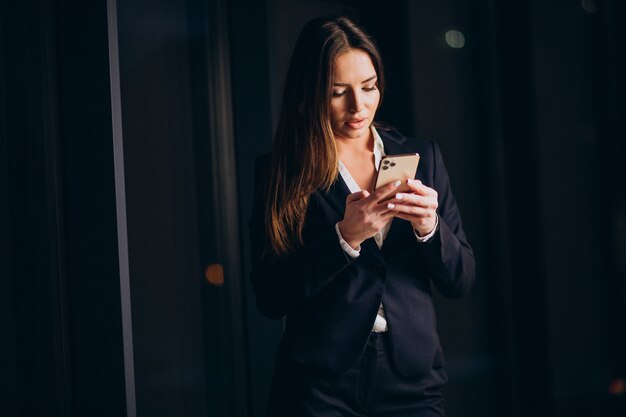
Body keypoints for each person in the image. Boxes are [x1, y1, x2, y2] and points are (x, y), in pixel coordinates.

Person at [249, 16, 475, 417]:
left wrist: (429, 228)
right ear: (307, 96)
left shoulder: (423, 157)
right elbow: (271, 294)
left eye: (369, 87)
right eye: (338, 92)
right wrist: (343, 239)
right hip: (318, 384)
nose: (359, 106)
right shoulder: (282, 172)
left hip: (412, 379)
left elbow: (461, 279)